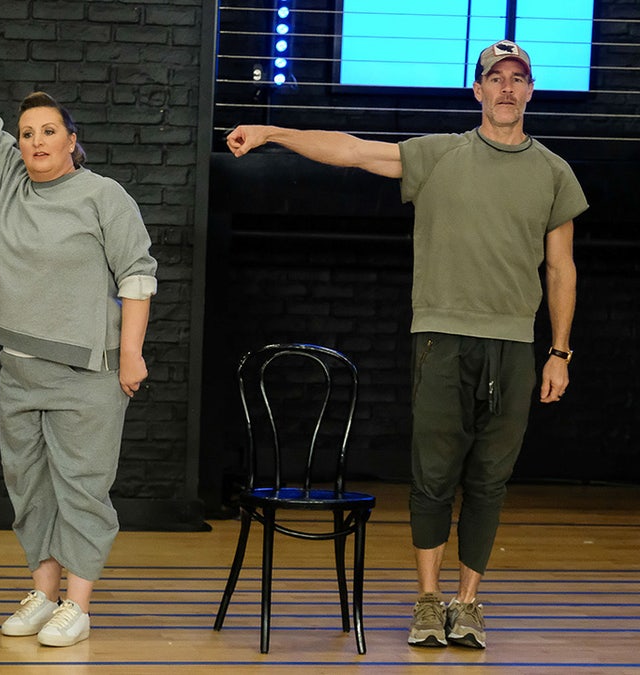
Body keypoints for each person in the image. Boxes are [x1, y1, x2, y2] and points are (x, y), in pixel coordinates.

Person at [226, 40, 586, 650]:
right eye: (493, 78)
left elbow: (561, 269)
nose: (504, 88)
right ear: (476, 91)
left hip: (512, 348)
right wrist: (271, 129)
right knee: (433, 477)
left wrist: (559, 351)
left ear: (529, 90)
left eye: (516, 78)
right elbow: (354, 151)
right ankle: (427, 601)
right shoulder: (442, 156)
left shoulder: (554, 172)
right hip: (442, 340)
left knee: (491, 481)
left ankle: (467, 604)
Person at [0, 41, 158, 647]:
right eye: (27, 133)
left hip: (87, 374)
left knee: (82, 489)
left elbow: (137, 275)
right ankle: (43, 594)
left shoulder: (104, 196)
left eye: (49, 131)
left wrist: (131, 352)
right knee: (30, 489)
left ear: (72, 139)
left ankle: (78, 603)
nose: (36, 141)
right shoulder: (12, 180)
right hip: (19, 370)